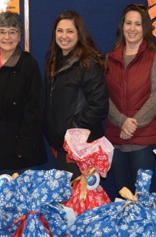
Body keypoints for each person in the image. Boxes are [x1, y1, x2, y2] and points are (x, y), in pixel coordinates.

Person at [105, 4, 156, 195]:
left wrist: (133, 124)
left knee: (141, 195)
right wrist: (122, 122)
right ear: (122, 26)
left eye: (138, 24)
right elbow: (102, 95)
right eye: (128, 23)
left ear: (145, 28)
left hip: (144, 139)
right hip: (116, 137)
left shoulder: (155, 57)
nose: (132, 28)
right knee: (122, 192)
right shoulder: (109, 59)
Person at [0, 12, 47, 174]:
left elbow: (35, 110)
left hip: (21, 151)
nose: (7, 37)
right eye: (2, 31)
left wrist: (24, 148)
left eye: (12, 31)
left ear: (20, 36)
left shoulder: (29, 65)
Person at [44, 11, 108, 178]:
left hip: (81, 149)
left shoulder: (88, 64)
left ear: (79, 34)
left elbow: (99, 106)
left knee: (81, 201)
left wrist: (71, 129)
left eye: (70, 31)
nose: (64, 36)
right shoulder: (53, 61)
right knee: (67, 200)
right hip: (61, 147)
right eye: (60, 31)